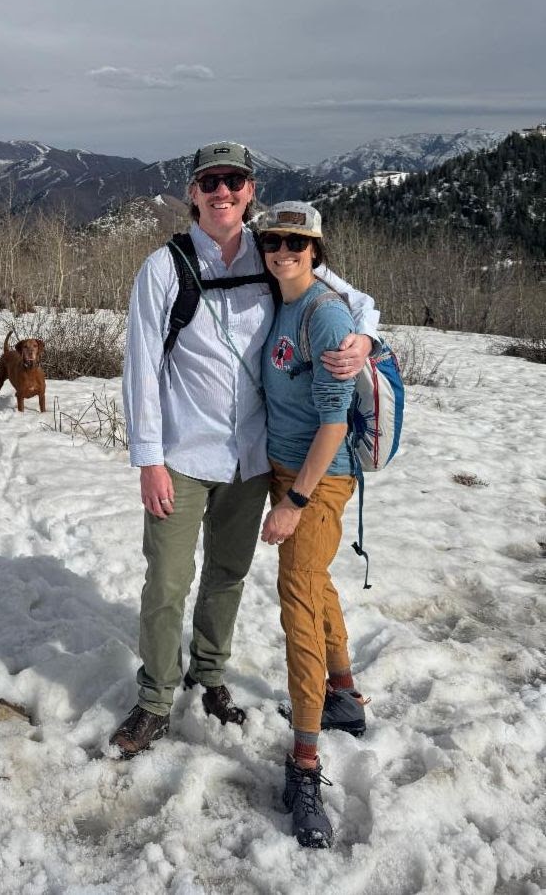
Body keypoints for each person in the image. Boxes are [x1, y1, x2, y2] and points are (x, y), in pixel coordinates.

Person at [110, 143, 380, 758]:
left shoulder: (270, 253)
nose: (222, 192)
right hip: (181, 456)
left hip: (250, 458)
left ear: (250, 191)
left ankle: (209, 675)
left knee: (226, 575)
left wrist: (363, 340)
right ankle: (155, 699)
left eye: (234, 181)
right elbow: (141, 368)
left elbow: (352, 301)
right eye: (210, 182)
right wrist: (148, 459)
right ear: (193, 193)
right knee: (167, 582)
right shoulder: (165, 267)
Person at [258, 201, 367, 849]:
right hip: (283, 469)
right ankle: (343, 694)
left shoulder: (324, 316)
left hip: (317, 479)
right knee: (315, 579)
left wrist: (294, 502)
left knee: (297, 595)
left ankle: (304, 763)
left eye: (296, 244)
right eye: (274, 242)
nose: (283, 253)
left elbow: (332, 424)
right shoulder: (279, 300)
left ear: (316, 251)